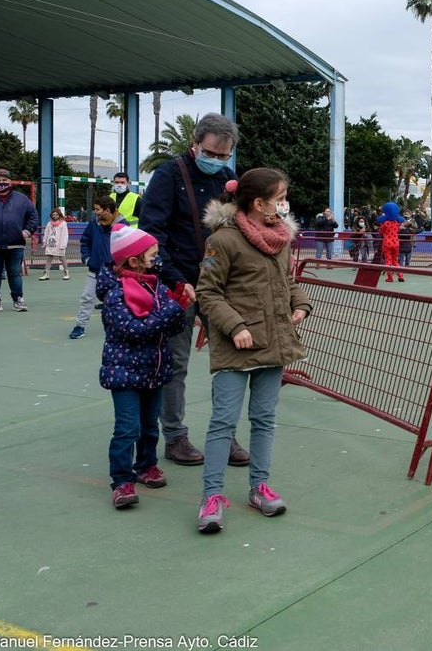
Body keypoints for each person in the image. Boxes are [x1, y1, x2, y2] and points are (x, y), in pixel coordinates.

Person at [195, 169, 310, 534]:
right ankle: (211, 496)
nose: (285, 204)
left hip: (274, 343)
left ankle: (259, 486)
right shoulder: (223, 240)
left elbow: (287, 280)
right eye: (280, 198)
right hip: (236, 348)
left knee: (264, 419)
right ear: (259, 203)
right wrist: (235, 326)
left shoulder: (281, 237)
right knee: (223, 422)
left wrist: (300, 304)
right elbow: (207, 292)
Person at [138, 112, 246, 467]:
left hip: (218, 285)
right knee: (175, 362)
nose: (216, 160)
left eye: (223, 155)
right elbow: (153, 233)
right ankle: (175, 436)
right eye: (210, 153)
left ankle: (225, 435)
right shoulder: (168, 175)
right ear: (195, 144)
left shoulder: (228, 179)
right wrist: (174, 279)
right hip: (178, 283)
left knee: (229, 360)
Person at [98, 226, 190, 509]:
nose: (157, 259)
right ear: (134, 261)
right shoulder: (115, 294)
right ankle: (121, 480)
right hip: (124, 373)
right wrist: (171, 310)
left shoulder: (156, 286)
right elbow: (135, 330)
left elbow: (173, 326)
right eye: (152, 255)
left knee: (150, 426)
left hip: (154, 370)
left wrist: (179, 305)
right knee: (127, 428)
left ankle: (146, 465)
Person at [69, 197, 122, 340]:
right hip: (95, 269)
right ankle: (80, 326)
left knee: (118, 300)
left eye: (98, 209)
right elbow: (85, 241)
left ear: (107, 210)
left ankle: (119, 328)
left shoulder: (122, 225)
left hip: (115, 272)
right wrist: (87, 259)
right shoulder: (94, 224)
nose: (95, 212)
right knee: (87, 297)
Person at [0, 169, 38, 313]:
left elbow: (33, 216)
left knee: (15, 273)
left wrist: (27, 231)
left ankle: (18, 299)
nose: (1, 182)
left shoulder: (21, 199)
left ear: (10, 181)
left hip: (15, 244)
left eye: (4, 180)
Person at [377, 201, 405, 282]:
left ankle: (390, 277)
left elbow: (380, 232)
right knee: (395, 261)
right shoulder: (397, 223)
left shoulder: (385, 223)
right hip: (396, 242)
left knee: (388, 261)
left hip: (387, 242)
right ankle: (400, 276)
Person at [40, 207, 70, 280]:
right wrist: (44, 242)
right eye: (53, 215)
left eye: (56, 215)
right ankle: (46, 273)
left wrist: (63, 245)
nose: (55, 216)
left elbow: (65, 235)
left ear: (59, 215)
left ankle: (66, 272)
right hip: (51, 244)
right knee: (49, 258)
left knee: (62, 258)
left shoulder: (63, 224)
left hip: (59, 244)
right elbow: (46, 233)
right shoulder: (49, 224)